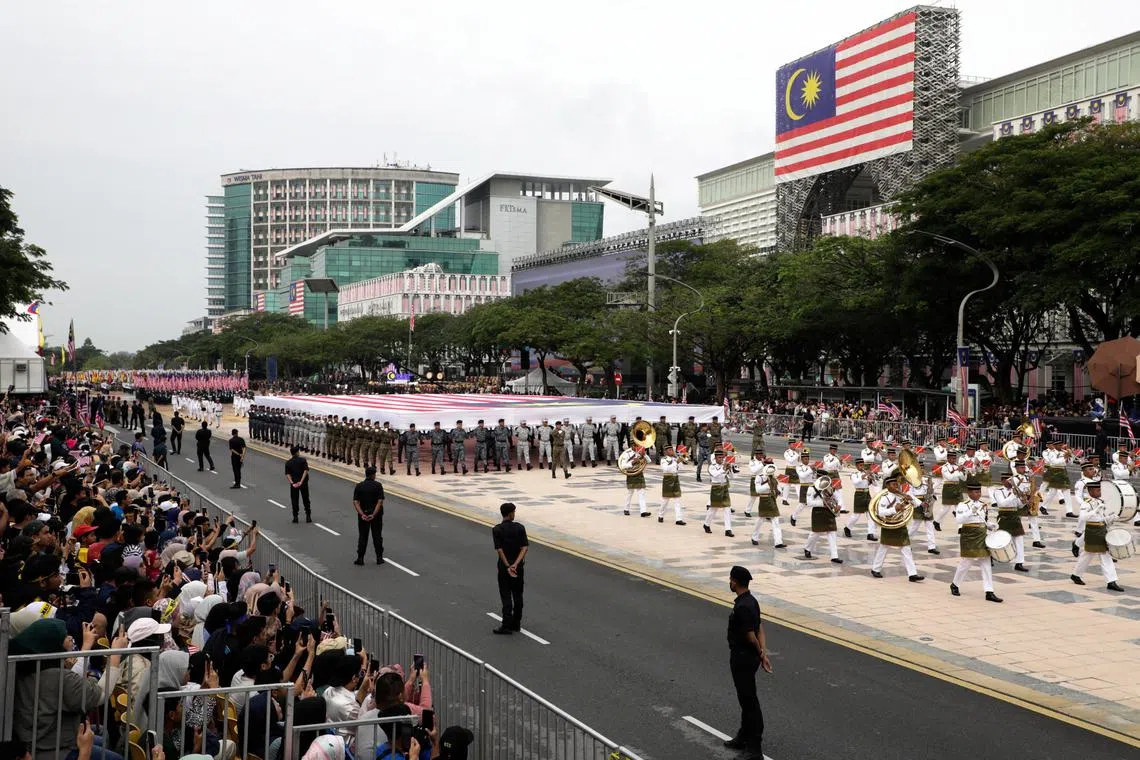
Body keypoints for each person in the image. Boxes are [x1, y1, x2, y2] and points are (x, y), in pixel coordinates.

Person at [723, 565, 770, 759]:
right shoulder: (751, 601)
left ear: (734, 581)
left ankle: (754, 746)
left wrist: (760, 652)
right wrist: (763, 654)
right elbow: (760, 628)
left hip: (742, 657)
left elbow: (751, 635)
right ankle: (743, 736)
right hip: (750, 657)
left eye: (730, 579)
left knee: (749, 701)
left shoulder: (742, 606)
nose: (730, 582)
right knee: (746, 698)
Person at [950, 478, 1002, 602]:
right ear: (969, 493)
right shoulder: (963, 505)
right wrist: (970, 512)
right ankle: (955, 584)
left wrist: (989, 525)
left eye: (979, 492)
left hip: (981, 534)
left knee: (986, 562)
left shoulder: (983, 504)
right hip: (969, 535)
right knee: (966, 562)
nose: (978, 494)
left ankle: (989, 591)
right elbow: (959, 520)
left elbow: (981, 520)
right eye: (975, 492)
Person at [1071, 479, 1124, 591]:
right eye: (1097, 490)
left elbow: (1102, 519)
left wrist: (1111, 518)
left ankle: (1076, 574)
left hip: (1101, 529)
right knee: (1103, 555)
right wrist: (1094, 510)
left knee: (1088, 554)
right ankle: (1111, 581)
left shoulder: (1100, 502)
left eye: (1100, 489)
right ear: (1090, 491)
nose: (1100, 492)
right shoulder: (1087, 503)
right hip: (1092, 530)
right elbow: (1083, 517)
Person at [869, 474, 924, 582]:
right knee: (884, 547)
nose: (897, 487)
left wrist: (912, 500)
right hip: (889, 525)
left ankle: (912, 574)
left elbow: (917, 505)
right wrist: (895, 509)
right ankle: (875, 569)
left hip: (900, 524)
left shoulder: (901, 496)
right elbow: (880, 513)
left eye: (897, 484)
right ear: (887, 486)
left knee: (906, 548)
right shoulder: (884, 498)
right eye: (894, 484)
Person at [492, 502, 528, 635]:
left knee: (506, 596)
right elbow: (524, 547)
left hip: (504, 568)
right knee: (518, 595)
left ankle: (506, 625)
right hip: (518, 568)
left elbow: (499, 550)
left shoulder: (496, 529)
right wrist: (516, 564)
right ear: (511, 513)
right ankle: (516, 623)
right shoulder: (520, 528)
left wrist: (508, 566)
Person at [801, 469, 842, 563]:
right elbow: (809, 502)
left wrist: (839, 505)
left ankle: (834, 556)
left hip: (829, 512)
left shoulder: (829, 486)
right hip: (818, 512)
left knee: (832, 533)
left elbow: (837, 497)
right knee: (815, 533)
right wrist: (822, 503)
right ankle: (807, 548)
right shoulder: (812, 488)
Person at [749, 457, 784, 548]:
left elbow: (778, 488)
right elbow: (758, 490)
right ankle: (754, 537)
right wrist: (767, 485)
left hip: (772, 500)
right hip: (764, 500)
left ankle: (778, 542)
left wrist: (780, 491)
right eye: (768, 465)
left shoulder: (773, 478)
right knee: (761, 520)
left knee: (775, 521)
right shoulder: (759, 477)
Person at [353, 466, 385, 565]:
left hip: (363, 515)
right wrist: (374, 514)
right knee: (377, 536)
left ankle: (360, 558)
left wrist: (362, 514)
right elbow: (380, 502)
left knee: (363, 536)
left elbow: (355, 502)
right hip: (376, 516)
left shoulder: (359, 486)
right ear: (373, 475)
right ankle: (379, 558)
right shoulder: (378, 485)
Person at [703, 448, 734, 537]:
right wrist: (723, 469)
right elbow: (715, 474)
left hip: (724, 488)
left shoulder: (724, 465)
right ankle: (706, 524)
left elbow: (732, 477)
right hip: (716, 488)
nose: (721, 459)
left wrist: (730, 469)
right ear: (715, 458)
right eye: (719, 458)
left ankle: (728, 530)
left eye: (722, 457)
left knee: (727, 509)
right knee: (713, 509)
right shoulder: (711, 466)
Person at [658, 444, 685, 525]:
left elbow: (681, 468)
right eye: (669, 450)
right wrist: (675, 462)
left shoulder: (675, 458)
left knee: (677, 500)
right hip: (668, 479)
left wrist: (679, 461)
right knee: (665, 500)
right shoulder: (664, 459)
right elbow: (665, 469)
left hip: (675, 479)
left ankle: (678, 519)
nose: (672, 451)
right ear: (665, 452)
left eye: (672, 450)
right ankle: (660, 515)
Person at [286, 445, 312, 523]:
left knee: (294, 500)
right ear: (297, 452)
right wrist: (301, 481)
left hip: (294, 484)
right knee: (306, 499)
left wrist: (292, 482)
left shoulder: (288, 463)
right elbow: (306, 471)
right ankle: (308, 516)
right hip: (303, 483)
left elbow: (287, 474)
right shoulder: (303, 460)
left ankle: (295, 517)